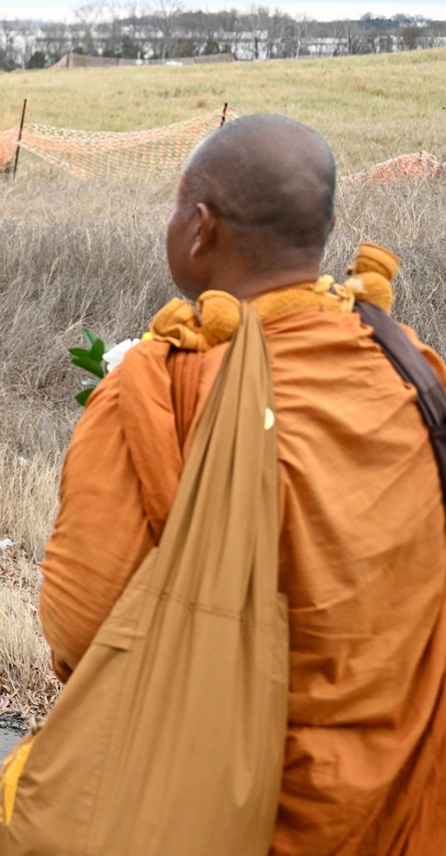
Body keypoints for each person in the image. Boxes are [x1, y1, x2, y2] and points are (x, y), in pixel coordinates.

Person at [40, 115, 446, 853]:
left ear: (199, 228)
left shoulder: (168, 389)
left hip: (236, 806)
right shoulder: (410, 365)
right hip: (408, 799)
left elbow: (80, 627)